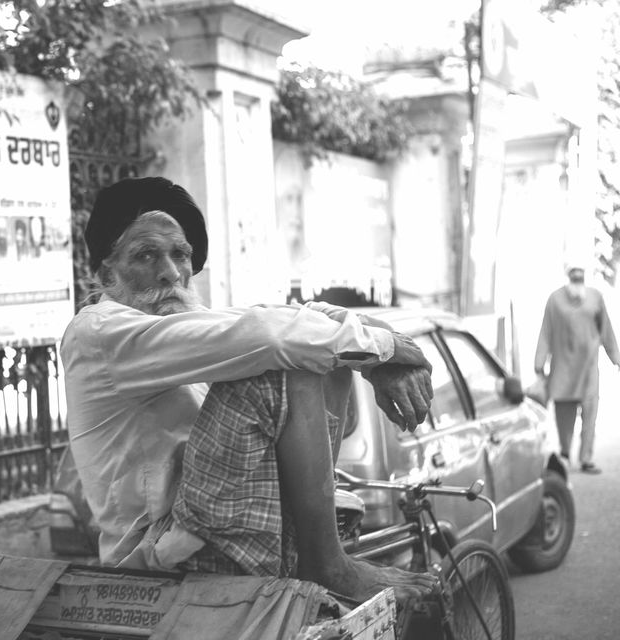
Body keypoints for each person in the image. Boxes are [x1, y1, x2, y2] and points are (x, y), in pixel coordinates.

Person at [60, 177, 438, 604]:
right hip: (159, 552)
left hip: (224, 525)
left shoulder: (186, 321)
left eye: (179, 254)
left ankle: (318, 549)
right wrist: (386, 351)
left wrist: (380, 353)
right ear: (106, 272)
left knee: (316, 348)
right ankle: (328, 563)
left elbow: (296, 317)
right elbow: (271, 336)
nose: (169, 272)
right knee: (291, 359)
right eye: (145, 255)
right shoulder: (98, 331)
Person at [535, 261, 620, 474]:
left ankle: (586, 458)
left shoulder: (595, 297)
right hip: (563, 370)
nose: (577, 276)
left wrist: (616, 357)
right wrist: (539, 363)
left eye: (581, 273)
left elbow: (606, 329)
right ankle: (565, 453)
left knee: (590, 415)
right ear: (568, 275)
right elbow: (546, 331)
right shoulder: (554, 300)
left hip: (589, 369)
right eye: (574, 273)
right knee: (565, 417)